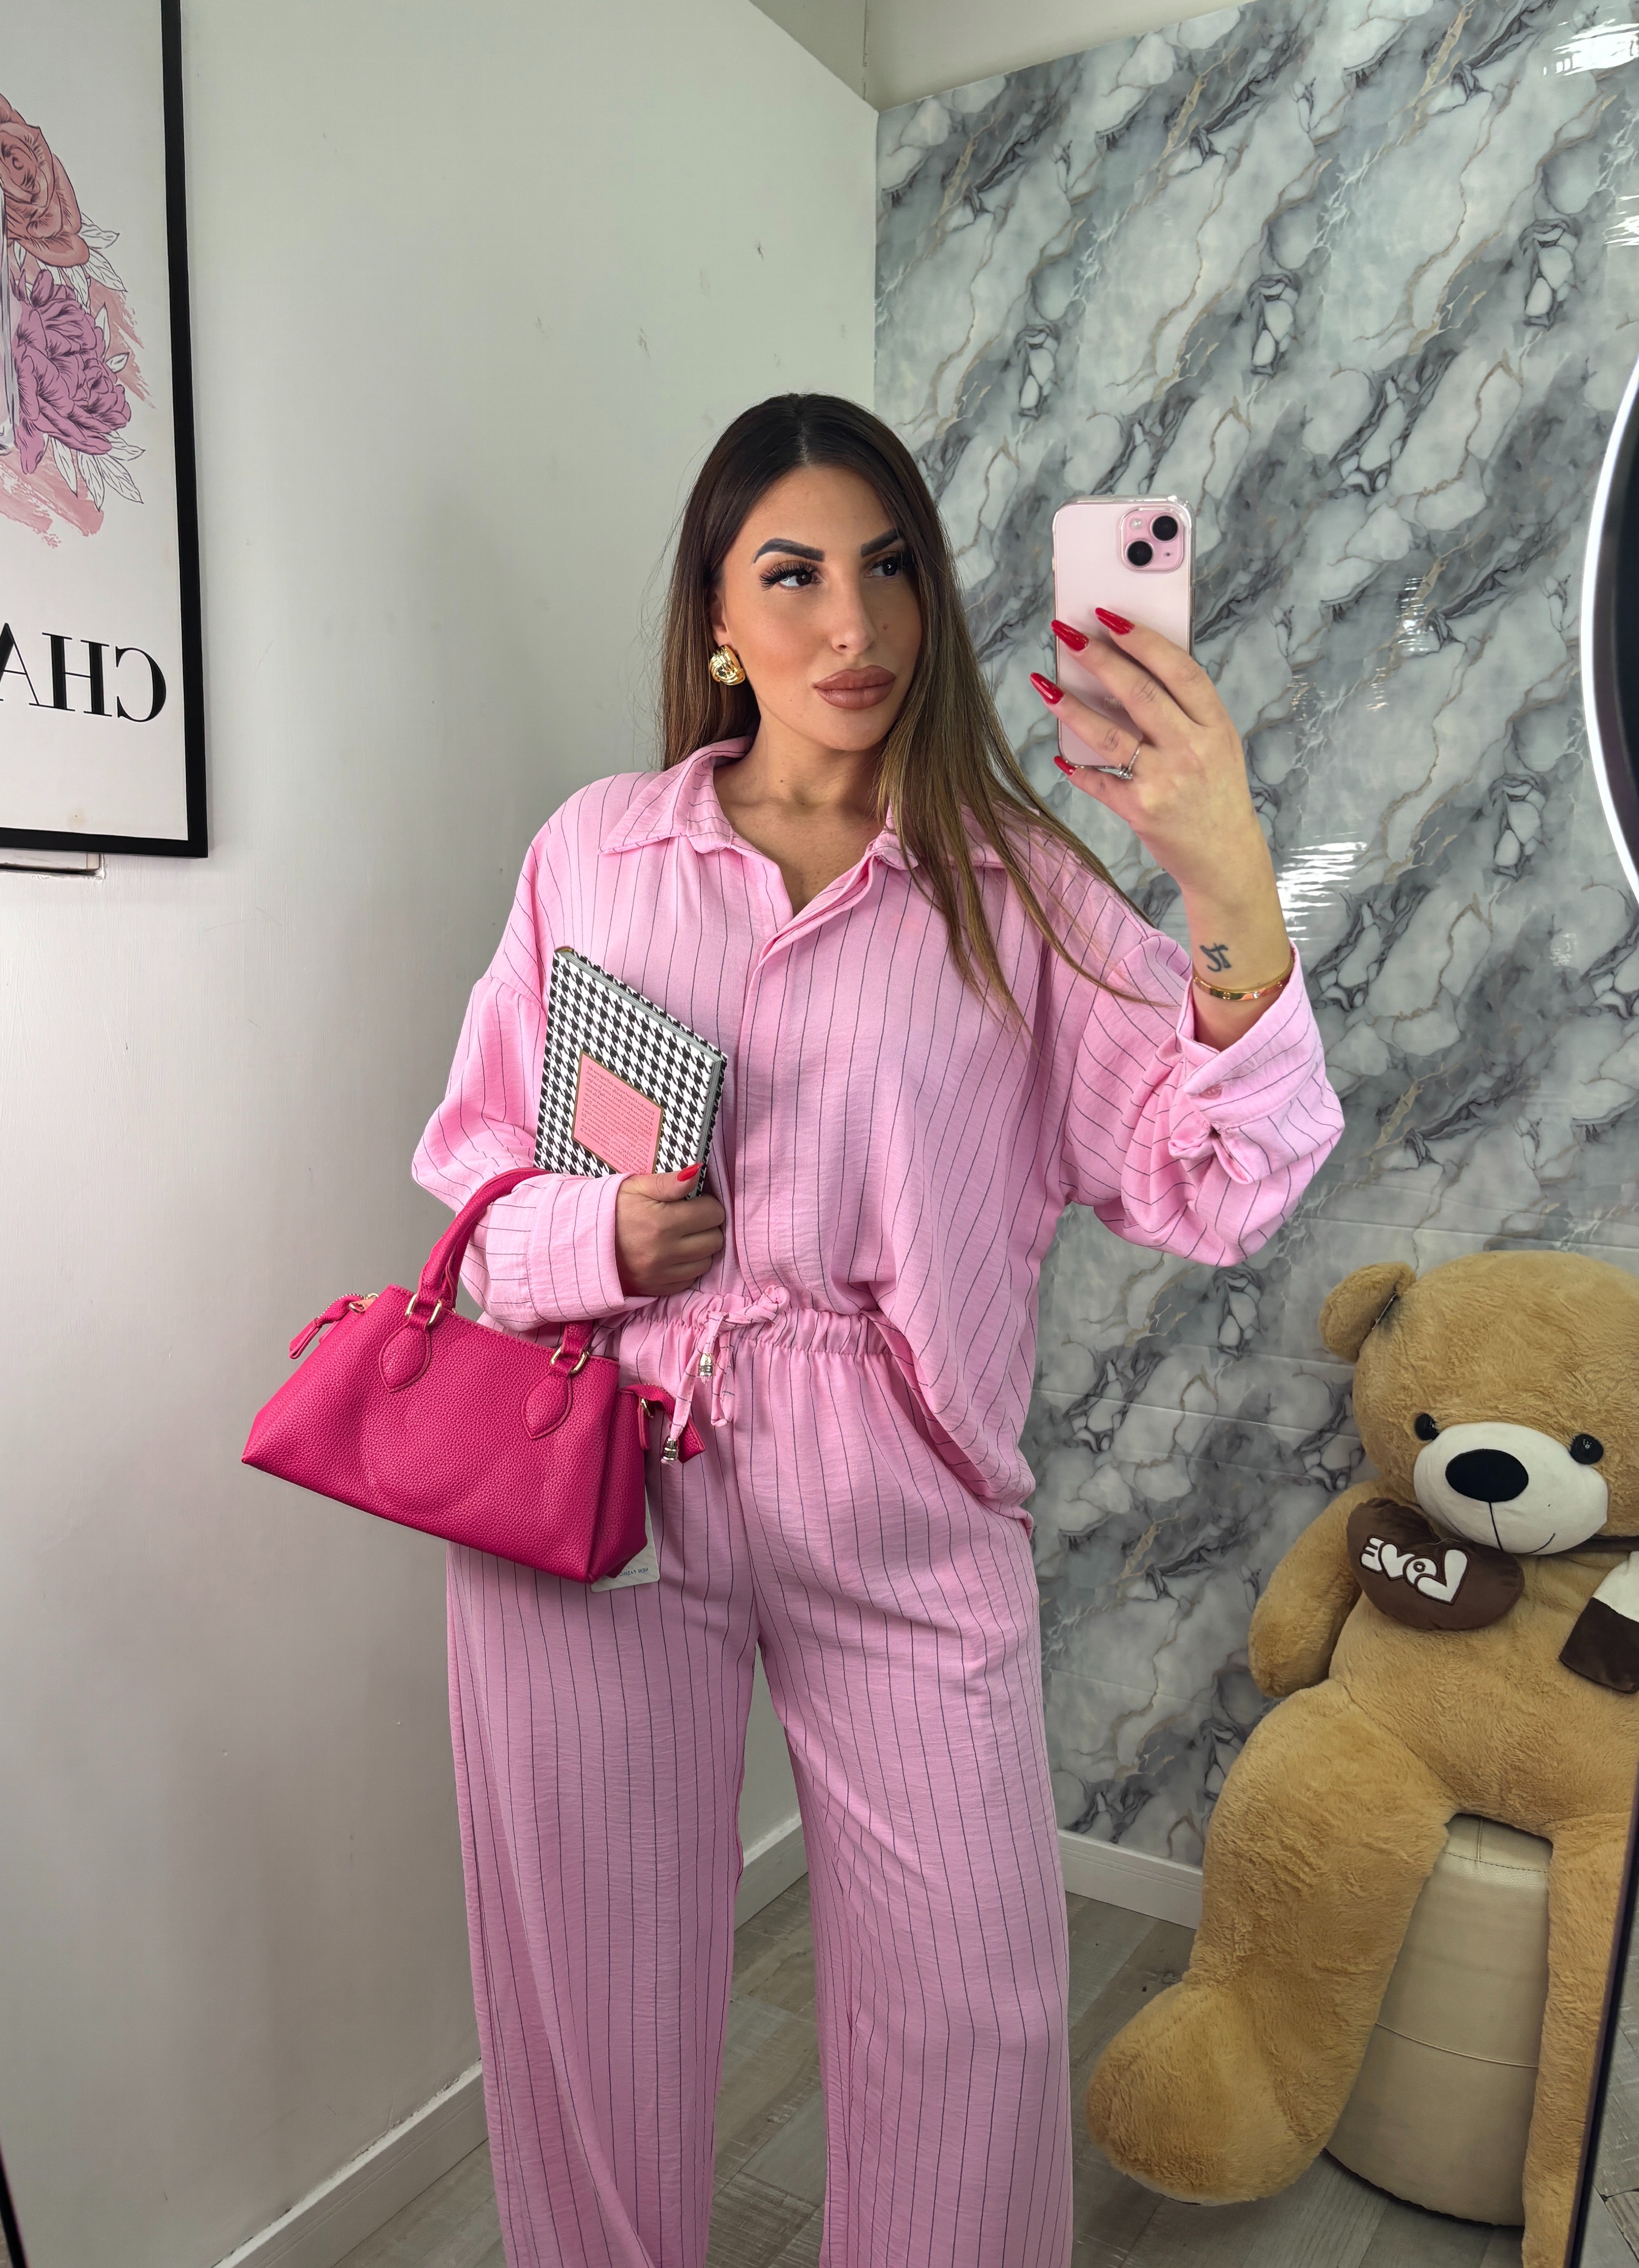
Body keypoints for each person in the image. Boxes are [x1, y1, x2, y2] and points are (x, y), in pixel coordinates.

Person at [412, 393, 1342, 2268]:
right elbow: (477, 1187)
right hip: (607, 1466)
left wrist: (1223, 866)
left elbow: (1222, 1177)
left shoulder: (1017, 886)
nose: (857, 624)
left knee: (975, 2015)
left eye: (893, 567)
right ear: (716, 618)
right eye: (795, 576)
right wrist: (602, 1233)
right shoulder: (598, 854)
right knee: (589, 2002)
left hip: (907, 1500)